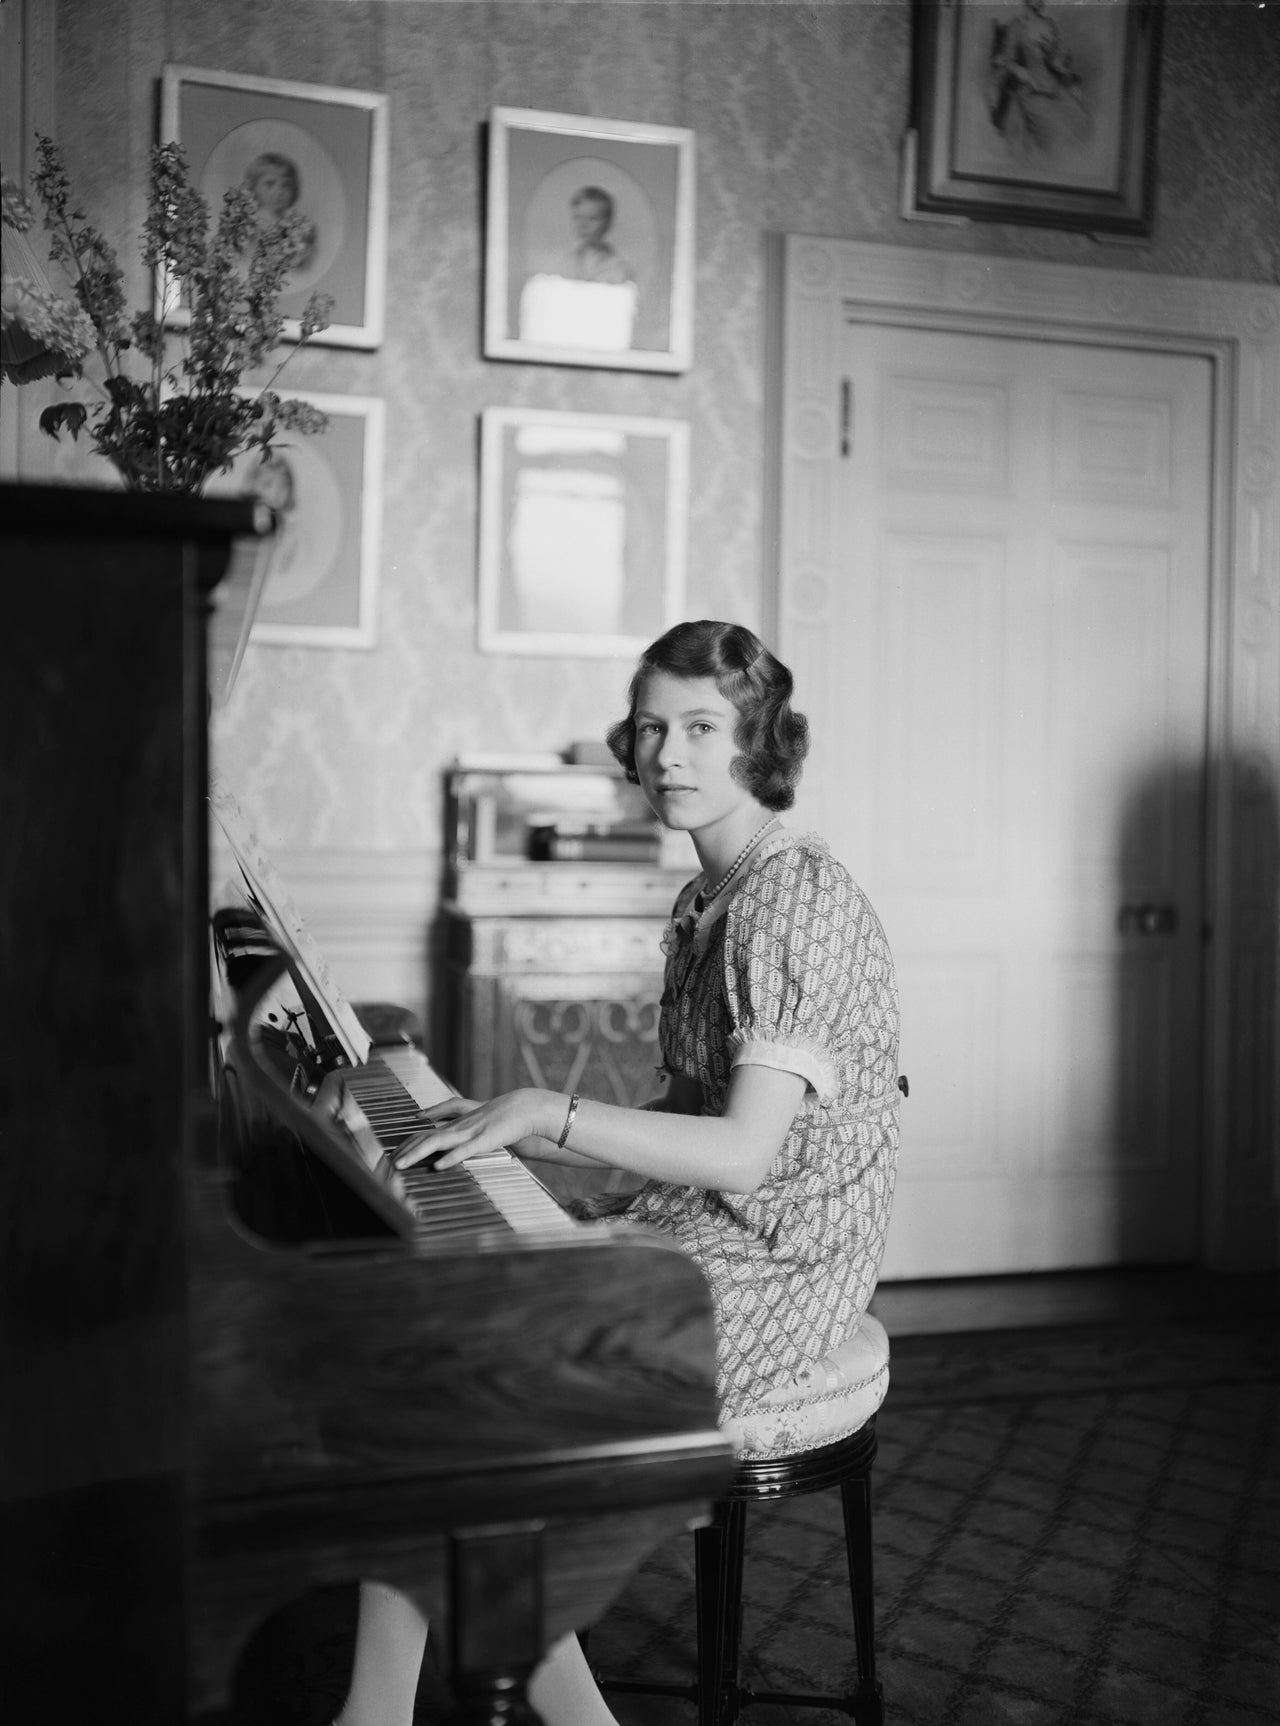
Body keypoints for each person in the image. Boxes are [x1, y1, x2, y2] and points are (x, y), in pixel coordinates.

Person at [332, 619, 901, 1726]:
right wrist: (524, 1137)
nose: (668, 754)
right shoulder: (715, 893)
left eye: (700, 726)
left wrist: (553, 1110)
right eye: (650, 727)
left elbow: (742, 1151)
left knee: (473, 1410)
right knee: (448, 1384)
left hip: (781, 1262)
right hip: (715, 1224)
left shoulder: (791, 901)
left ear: (758, 740)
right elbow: (692, 1113)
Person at [242, 149, 317, 271]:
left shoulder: (303, 228)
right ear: (253, 188)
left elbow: (304, 267)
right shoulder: (247, 227)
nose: (279, 191)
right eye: (270, 184)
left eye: (286, 185)